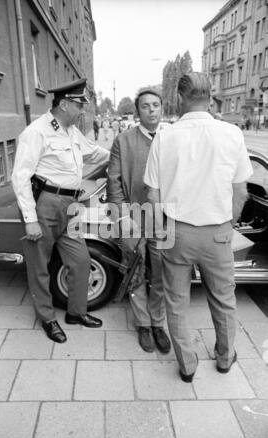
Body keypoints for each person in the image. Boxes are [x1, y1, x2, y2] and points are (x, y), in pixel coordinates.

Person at [144, 72, 253, 381]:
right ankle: (224, 357)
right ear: (211, 96)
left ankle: (187, 366)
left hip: (176, 230)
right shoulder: (231, 133)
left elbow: (152, 194)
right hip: (217, 230)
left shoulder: (165, 136)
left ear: (180, 98)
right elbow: (241, 191)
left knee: (176, 301)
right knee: (223, 299)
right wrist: (226, 225)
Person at [12, 78, 109, 343]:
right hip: (45, 204)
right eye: (79, 106)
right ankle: (47, 319)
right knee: (40, 267)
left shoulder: (71, 131)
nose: (82, 112)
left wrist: (122, 151)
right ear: (65, 104)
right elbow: (20, 177)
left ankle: (76, 313)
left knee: (81, 260)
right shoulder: (37, 132)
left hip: (70, 206)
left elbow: (94, 153)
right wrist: (30, 220)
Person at [107, 89, 171, 354]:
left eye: (156, 105)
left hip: (165, 220)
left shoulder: (172, 139)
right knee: (135, 272)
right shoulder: (123, 140)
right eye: (145, 106)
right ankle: (142, 324)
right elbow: (114, 182)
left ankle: (158, 323)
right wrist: (123, 218)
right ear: (138, 112)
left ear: (162, 108)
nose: (152, 110)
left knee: (159, 273)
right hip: (132, 219)